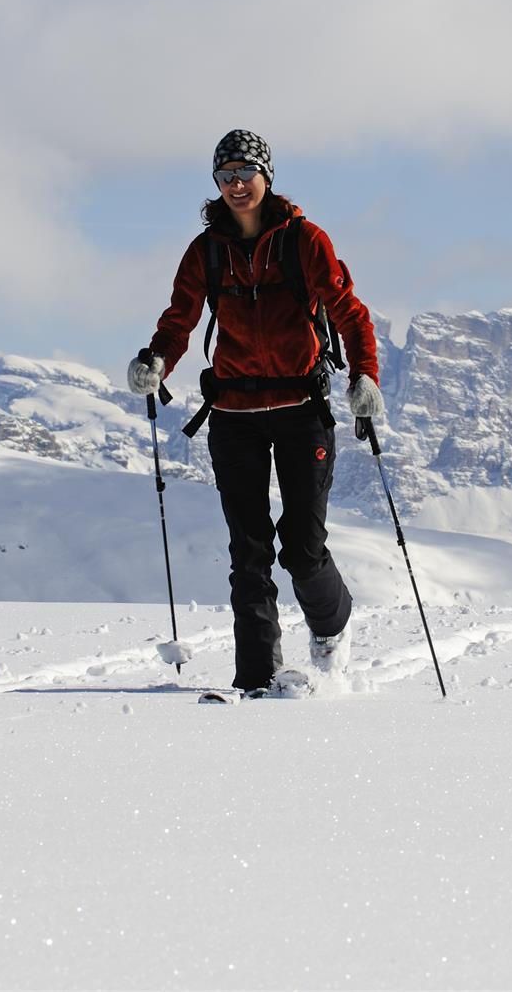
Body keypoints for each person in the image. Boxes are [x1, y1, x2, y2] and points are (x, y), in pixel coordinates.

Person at [129, 129, 386, 695]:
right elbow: (179, 320)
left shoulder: (304, 241)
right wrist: (156, 362)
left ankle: (332, 625)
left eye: (245, 172)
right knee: (248, 550)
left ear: (267, 176)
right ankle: (256, 680)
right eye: (225, 177)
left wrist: (365, 375)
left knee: (301, 546)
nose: (236, 184)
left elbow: (350, 312)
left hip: (302, 410)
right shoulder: (206, 252)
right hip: (234, 413)